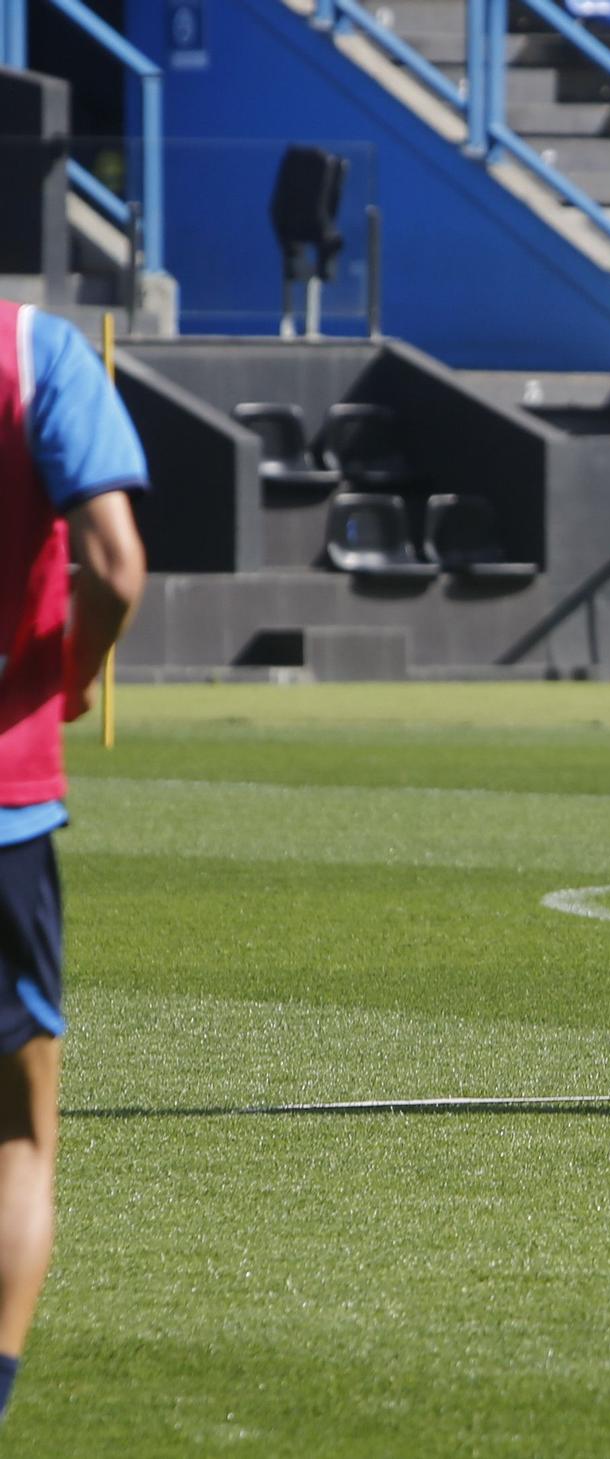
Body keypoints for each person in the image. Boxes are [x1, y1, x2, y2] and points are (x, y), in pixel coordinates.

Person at [0, 300, 148, 1424]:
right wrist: (74, 676)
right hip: (4, 802)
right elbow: (115, 562)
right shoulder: (35, 351)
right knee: (17, 1133)